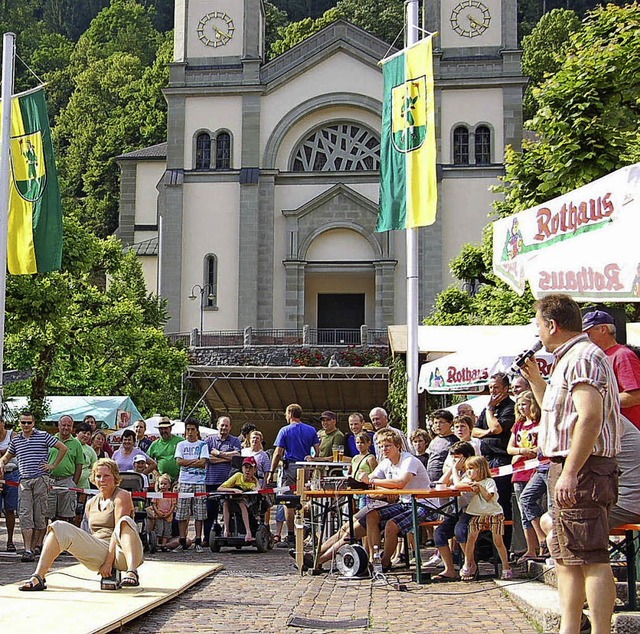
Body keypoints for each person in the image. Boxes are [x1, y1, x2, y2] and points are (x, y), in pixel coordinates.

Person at [521, 293, 621, 634]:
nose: (538, 334)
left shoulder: (581, 357)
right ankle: (570, 628)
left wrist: (571, 471)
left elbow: (589, 417)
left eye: (538, 326)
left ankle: (600, 630)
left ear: (552, 324)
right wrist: (536, 381)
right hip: (571, 466)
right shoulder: (571, 358)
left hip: (583, 467)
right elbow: (559, 415)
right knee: (567, 555)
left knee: (590, 556)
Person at [17, 458, 143, 591]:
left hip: (122, 551)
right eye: (98, 476)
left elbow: (118, 531)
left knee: (124, 521)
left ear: (115, 477)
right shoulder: (91, 502)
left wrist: (108, 563)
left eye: (106, 476)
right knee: (58, 526)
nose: (102, 480)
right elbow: (90, 534)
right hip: (100, 548)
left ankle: (132, 572)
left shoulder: (122, 496)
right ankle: (38, 577)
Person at [0, 412, 69, 562]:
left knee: (40, 514)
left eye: (28, 423)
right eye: (23, 423)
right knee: (25, 515)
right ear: (19, 423)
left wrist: (53, 465)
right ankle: (27, 549)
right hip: (24, 480)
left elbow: (63, 448)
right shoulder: (16, 440)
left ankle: (36, 546)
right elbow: (6, 457)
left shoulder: (43, 436)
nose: (26, 426)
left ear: (33, 423)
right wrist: (2, 463)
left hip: (40, 479)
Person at [268, 403, 320, 548]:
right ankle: (307, 528)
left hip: (290, 466)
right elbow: (317, 451)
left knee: (288, 502)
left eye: (286, 414)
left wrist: (271, 472)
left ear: (290, 414)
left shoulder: (284, 430)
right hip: (306, 467)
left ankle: (291, 535)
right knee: (306, 499)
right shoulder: (311, 430)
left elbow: (278, 452)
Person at [583, 309, 640, 431]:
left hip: (629, 433)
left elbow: (635, 396)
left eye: (588, 333)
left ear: (603, 329)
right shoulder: (601, 356)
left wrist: (596, 402)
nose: (585, 338)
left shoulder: (622, 355)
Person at [507, 390, 545, 562]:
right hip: (518, 472)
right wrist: (522, 451)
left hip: (537, 469)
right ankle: (531, 548)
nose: (522, 408)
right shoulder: (518, 426)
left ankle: (543, 542)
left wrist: (529, 453)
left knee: (537, 505)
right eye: (519, 405)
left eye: (525, 404)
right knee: (524, 512)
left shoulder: (541, 422)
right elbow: (510, 449)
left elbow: (542, 446)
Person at [472, 372, 515, 523]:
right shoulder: (488, 408)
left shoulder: (510, 408)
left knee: (500, 501)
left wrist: (491, 411)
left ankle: (504, 542)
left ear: (506, 388)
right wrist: (488, 432)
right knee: (483, 502)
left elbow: (497, 428)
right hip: (487, 461)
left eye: (496, 387)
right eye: (490, 388)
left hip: (502, 461)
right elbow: (474, 431)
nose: (493, 391)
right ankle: (486, 544)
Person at [461, 455, 513, 581]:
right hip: (477, 514)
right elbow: (458, 484)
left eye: (471, 468)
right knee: (471, 538)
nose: (468, 471)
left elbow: (488, 497)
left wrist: (480, 487)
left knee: (498, 541)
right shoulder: (467, 481)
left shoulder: (489, 482)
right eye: (467, 468)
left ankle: (506, 567)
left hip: (493, 514)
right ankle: (467, 563)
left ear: (481, 469)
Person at [432, 441, 475, 581]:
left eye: (458, 457)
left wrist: (455, 471)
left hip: (474, 511)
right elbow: (440, 484)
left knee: (460, 530)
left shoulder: (474, 471)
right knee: (439, 533)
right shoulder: (457, 472)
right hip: (459, 510)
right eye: (453, 458)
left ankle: (470, 565)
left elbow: (458, 486)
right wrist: (452, 469)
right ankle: (449, 569)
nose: (454, 461)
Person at [204, 416, 242, 543]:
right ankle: (207, 537)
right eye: (222, 425)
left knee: (230, 509)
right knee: (210, 511)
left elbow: (237, 456)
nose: (224, 428)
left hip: (229, 482)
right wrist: (227, 457)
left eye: (226, 425)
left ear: (230, 427)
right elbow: (208, 458)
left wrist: (219, 454)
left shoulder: (235, 440)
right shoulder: (209, 440)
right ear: (217, 425)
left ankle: (229, 534)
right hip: (211, 481)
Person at [175, 419, 209, 552]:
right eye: (188, 429)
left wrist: (187, 462)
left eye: (192, 429)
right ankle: (182, 540)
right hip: (184, 481)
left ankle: (198, 540)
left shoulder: (203, 445)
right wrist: (195, 461)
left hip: (199, 482)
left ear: (197, 431)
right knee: (182, 512)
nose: (190, 432)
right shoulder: (181, 445)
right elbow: (179, 462)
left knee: (199, 513)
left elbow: (203, 462)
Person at [47, 414, 84, 525]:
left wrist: (73, 483)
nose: (66, 428)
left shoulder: (76, 444)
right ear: (58, 426)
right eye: (63, 425)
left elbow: (79, 465)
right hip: (50, 480)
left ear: (72, 427)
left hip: (67, 481)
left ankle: (63, 540)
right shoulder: (50, 440)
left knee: (65, 516)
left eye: (69, 425)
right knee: (47, 515)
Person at [217, 456, 260, 541]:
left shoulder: (253, 481)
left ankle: (248, 532)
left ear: (254, 470)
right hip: (231, 499)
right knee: (225, 503)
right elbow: (220, 488)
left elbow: (258, 490)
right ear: (242, 468)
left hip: (244, 502)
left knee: (241, 503)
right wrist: (233, 489)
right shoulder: (237, 476)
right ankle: (226, 529)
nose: (247, 470)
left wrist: (255, 479)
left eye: (250, 468)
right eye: (246, 467)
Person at [0, 418, 19, 551]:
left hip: (11, 474)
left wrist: (5, 452)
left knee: (10, 509)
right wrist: (7, 452)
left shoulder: (12, 435)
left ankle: (10, 540)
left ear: (2, 423)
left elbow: (16, 450)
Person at [425, 410, 458, 482]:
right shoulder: (435, 440)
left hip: (445, 480)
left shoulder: (455, 441)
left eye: (441, 422)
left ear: (450, 423)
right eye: (435, 423)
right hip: (430, 480)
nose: (438, 425)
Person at [146, 473, 176, 551]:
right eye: (161, 484)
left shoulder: (172, 495)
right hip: (158, 515)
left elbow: (173, 505)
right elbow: (154, 504)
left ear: (169, 485)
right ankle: (156, 544)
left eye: (165, 484)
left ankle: (164, 545)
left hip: (168, 516)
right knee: (158, 530)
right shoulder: (157, 495)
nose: (163, 486)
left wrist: (169, 513)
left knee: (167, 531)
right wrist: (158, 512)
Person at [147, 417, 182, 481]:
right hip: (162, 481)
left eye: (165, 428)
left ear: (170, 428)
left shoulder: (180, 441)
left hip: (179, 479)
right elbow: (147, 462)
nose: (163, 431)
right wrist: (157, 474)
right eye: (161, 429)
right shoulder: (154, 444)